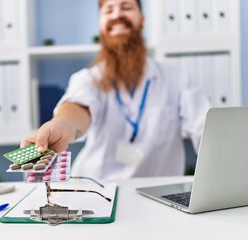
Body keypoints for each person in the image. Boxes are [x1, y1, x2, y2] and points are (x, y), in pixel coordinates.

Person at [21, 0, 210, 180]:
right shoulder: (87, 79)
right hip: (99, 190)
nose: (117, 14)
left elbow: (206, 128)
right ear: (100, 23)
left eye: (126, 6)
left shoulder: (176, 76)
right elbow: (78, 108)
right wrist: (61, 125)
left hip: (159, 193)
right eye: (108, 10)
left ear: (141, 18)